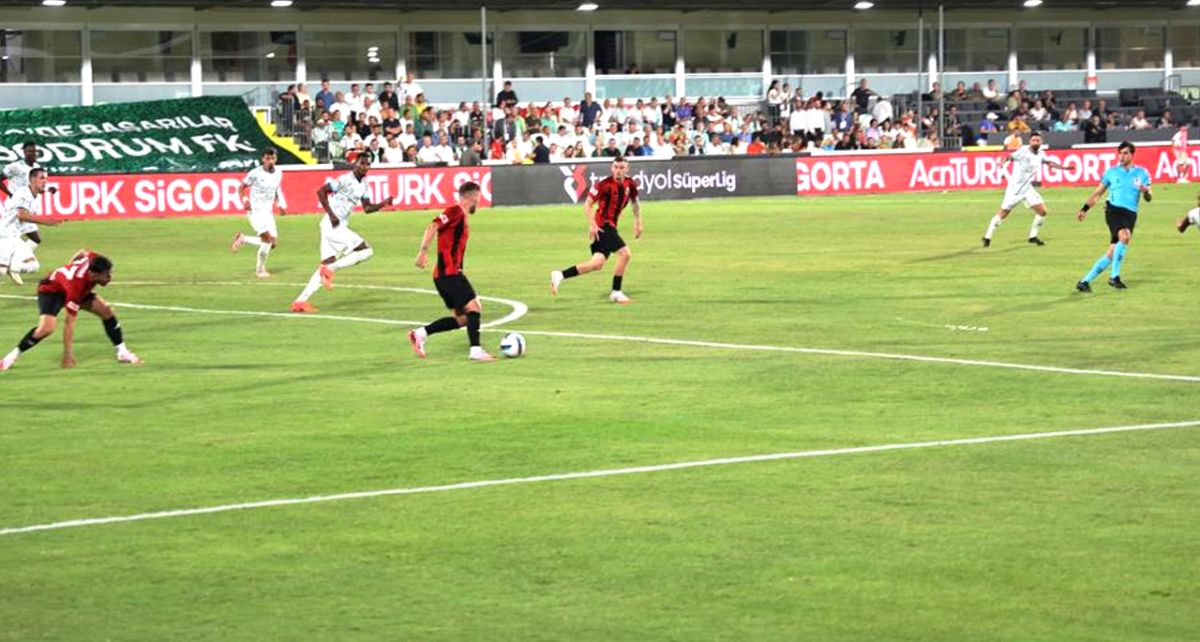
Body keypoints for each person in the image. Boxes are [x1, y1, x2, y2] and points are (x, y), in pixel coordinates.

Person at [0, 249, 142, 371]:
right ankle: (11, 357)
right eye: (106, 275)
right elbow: (69, 322)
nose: (109, 278)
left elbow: (82, 252)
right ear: (93, 275)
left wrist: (69, 265)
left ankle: (122, 352)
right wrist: (67, 354)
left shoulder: (94, 259)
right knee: (46, 329)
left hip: (73, 287)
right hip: (52, 291)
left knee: (106, 312)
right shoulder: (76, 286)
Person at [290, 155, 394, 313]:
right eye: (362, 163)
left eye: (367, 164)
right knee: (366, 251)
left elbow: (367, 208)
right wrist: (331, 215)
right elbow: (321, 191)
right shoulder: (344, 179)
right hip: (333, 224)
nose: (364, 166)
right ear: (355, 163)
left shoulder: (365, 185)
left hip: (334, 226)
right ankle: (332, 268)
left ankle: (300, 301)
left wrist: (383, 204)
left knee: (325, 265)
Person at [407, 182, 496, 362]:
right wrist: (423, 252)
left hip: (445, 275)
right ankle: (475, 350)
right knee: (474, 308)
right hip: (449, 274)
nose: (478, 203)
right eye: (477, 199)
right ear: (471, 197)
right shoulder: (455, 211)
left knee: (462, 319)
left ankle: (420, 333)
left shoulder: (461, 217)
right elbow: (433, 226)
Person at [549, 156, 642, 304]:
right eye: (615, 167)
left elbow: (635, 203)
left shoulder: (630, 184)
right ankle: (616, 292)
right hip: (602, 226)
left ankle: (559, 275)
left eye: (621, 168)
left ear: (627, 169)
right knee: (625, 254)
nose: (618, 170)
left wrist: (638, 221)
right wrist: (592, 224)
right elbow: (587, 204)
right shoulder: (603, 184)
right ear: (612, 168)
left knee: (596, 264)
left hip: (607, 226)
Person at [1074, 141, 1152, 292]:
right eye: (1120, 153)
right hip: (1113, 210)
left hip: (1130, 214)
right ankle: (1114, 277)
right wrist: (1085, 208)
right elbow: (1098, 193)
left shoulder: (1142, 173)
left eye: (1125, 153)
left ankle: (1084, 282)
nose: (1121, 156)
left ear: (1132, 154)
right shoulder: (1111, 172)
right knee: (1125, 235)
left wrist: (1145, 192)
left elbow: (1149, 197)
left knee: (1112, 252)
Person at [982, 132, 1076, 248]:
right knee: (1003, 214)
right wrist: (1002, 162)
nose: (1036, 142)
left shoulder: (1041, 154)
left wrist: (1064, 168)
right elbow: (1009, 157)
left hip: (1027, 189)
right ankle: (987, 237)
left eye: (1038, 140)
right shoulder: (1023, 152)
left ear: (1041, 142)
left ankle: (1033, 237)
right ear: (1030, 142)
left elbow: (1049, 162)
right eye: (1033, 140)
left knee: (1043, 211)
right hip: (1015, 190)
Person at [231, 148, 287, 278]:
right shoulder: (255, 173)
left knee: (272, 243)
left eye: (272, 158)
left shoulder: (278, 173)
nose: (270, 161)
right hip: (255, 211)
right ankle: (260, 270)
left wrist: (281, 204)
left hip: (268, 211)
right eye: (267, 158)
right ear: (263, 159)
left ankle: (243, 238)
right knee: (267, 240)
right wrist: (245, 199)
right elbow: (241, 187)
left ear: (276, 159)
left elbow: (277, 189)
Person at [0, 168, 60, 283]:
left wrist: (49, 190)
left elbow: (42, 190)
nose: (45, 181)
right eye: (42, 178)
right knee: (1, 271)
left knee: (33, 266)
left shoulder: (34, 193)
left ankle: (12, 267)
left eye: (46, 178)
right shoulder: (23, 193)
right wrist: (46, 221)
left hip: (15, 237)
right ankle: (8, 266)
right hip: (4, 236)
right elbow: (21, 215)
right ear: (32, 179)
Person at [1, 141, 57, 250]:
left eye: (34, 151)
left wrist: (48, 190)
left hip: (28, 207)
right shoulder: (16, 166)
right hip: (15, 207)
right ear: (24, 152)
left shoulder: (37, 168)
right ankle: (18, 259)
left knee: (31, 239)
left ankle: (18, 259)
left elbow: (37, 187)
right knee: (29, 238)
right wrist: (10, 194)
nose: (33, 153)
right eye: (29, 151)